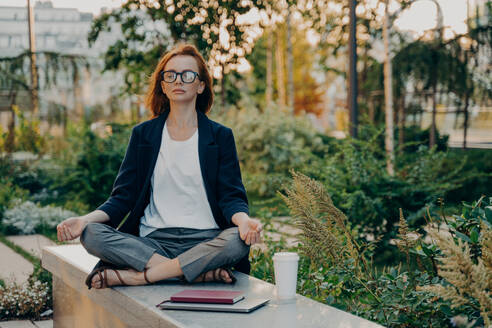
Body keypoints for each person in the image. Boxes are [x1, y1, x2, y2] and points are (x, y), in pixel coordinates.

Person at [56, 43, 262, 289]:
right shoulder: (144, 135)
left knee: (237, 241)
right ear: (163, 85)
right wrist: (83, 220)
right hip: (153, 243)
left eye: (188, 75)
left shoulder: (220, 136)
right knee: (91, 233)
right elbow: (123, 197)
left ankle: (144, 276)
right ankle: (194, 272)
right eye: (170, 75)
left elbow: (231, 197)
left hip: (206, 240)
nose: (179, 80)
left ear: (201, 85)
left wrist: (243, 222)